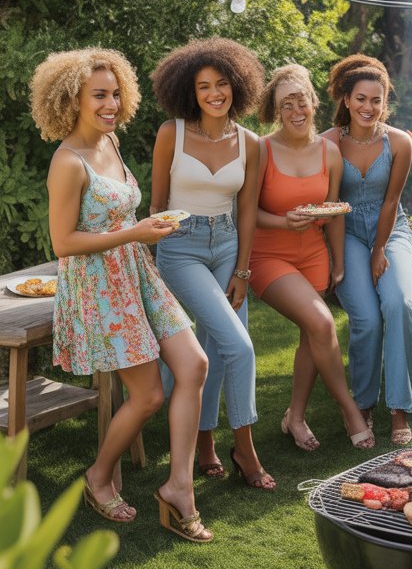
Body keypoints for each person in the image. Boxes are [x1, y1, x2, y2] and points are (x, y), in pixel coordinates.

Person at [30, 48, 212, 542]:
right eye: (99, 96)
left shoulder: (110, 140)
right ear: (72, 99)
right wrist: (136, 234)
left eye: (115, 93)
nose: (111, 104)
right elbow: (64, 243)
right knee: (149, 394)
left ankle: (179, 487)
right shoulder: (67, 161)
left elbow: (119, 215)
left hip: (134, 272)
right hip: (98, 287)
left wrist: (147, 230)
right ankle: (97, 476)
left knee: (194, 365)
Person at [150, 38, 275, 489]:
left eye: (222, 84)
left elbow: (247, 209)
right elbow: (157, 204)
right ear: (190, 90)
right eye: (204, 86)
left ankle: (206, 443)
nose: (214, 93)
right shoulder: (172, 133)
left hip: (227, 245)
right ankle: (245, 448)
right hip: (180, 247)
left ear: (237, 86)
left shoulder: (251, 143)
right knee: (239, 345)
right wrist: (152, 259)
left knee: (218, 350)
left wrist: (243, 269)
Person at [249, 64, 374, 452]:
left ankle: (295, 417)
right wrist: (285, 223)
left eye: (301, 100)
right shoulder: (262, 149)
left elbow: (334, 211)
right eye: (286, 104)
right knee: (321, 322)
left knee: (311, 333)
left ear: (313, 102)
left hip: (314, 255)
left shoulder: (330, 152)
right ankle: (349, 408)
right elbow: (247, 212)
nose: (296, 110)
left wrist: (338, 260)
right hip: (269, 255)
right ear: (275, 110)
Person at [323, 55, 412, 445]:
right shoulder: (327, 143)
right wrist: (339, 261)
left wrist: (381, 249)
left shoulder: (399, 142)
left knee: (398, 304)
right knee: (366, 317)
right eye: (361, 99)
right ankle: (362, 404)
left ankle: (398, 408)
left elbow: (392, 201)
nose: (368, 108)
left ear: (385, 102)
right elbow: (327, 204)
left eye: (376, 100)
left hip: (390, 229)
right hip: (344, 231)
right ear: (346, 100)